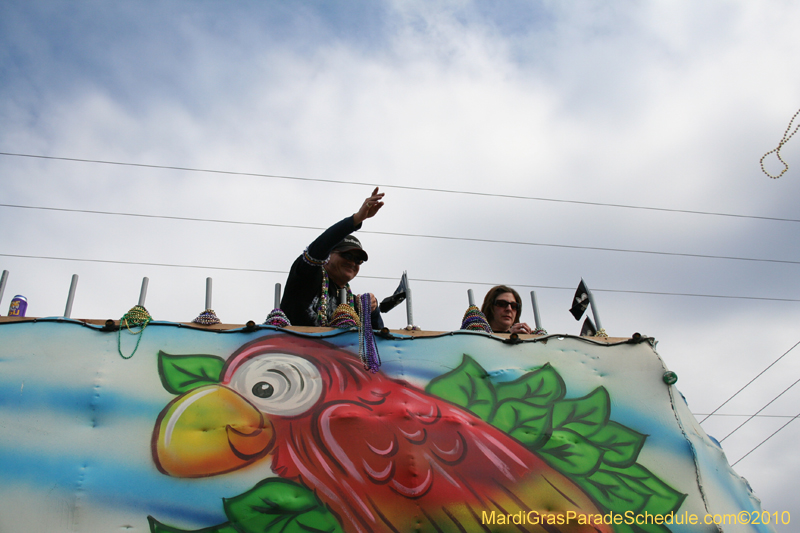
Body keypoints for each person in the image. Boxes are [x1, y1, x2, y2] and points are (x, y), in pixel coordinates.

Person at [281, 187, 385, 328]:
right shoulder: (308, 275)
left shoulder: (353, 304)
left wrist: (372, 309)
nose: (352, 262)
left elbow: (378, 339)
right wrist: (356, 219)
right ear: (328, 255)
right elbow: (320, 246)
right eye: (346, 255)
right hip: (293, 348)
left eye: (358, 260)